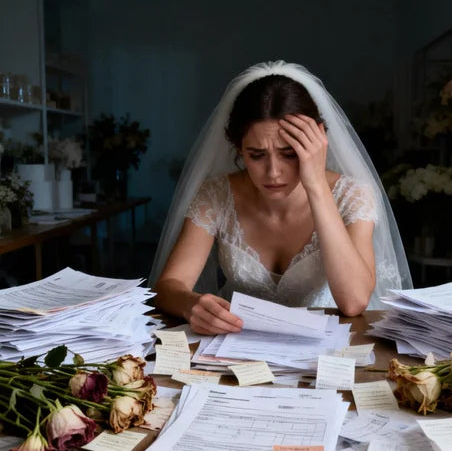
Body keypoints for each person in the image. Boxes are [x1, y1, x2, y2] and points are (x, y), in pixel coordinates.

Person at [150, 61, 411, 335]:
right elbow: (168, 286)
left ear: (318, 143)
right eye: (257, 155)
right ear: (238, 148)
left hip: (324, 353)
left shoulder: (352, 195)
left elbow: (354, 301)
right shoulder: (216, 194)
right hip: (235, 346)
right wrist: (192, 304)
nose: (273, 172)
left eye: (289, 154)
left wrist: (317, 186)